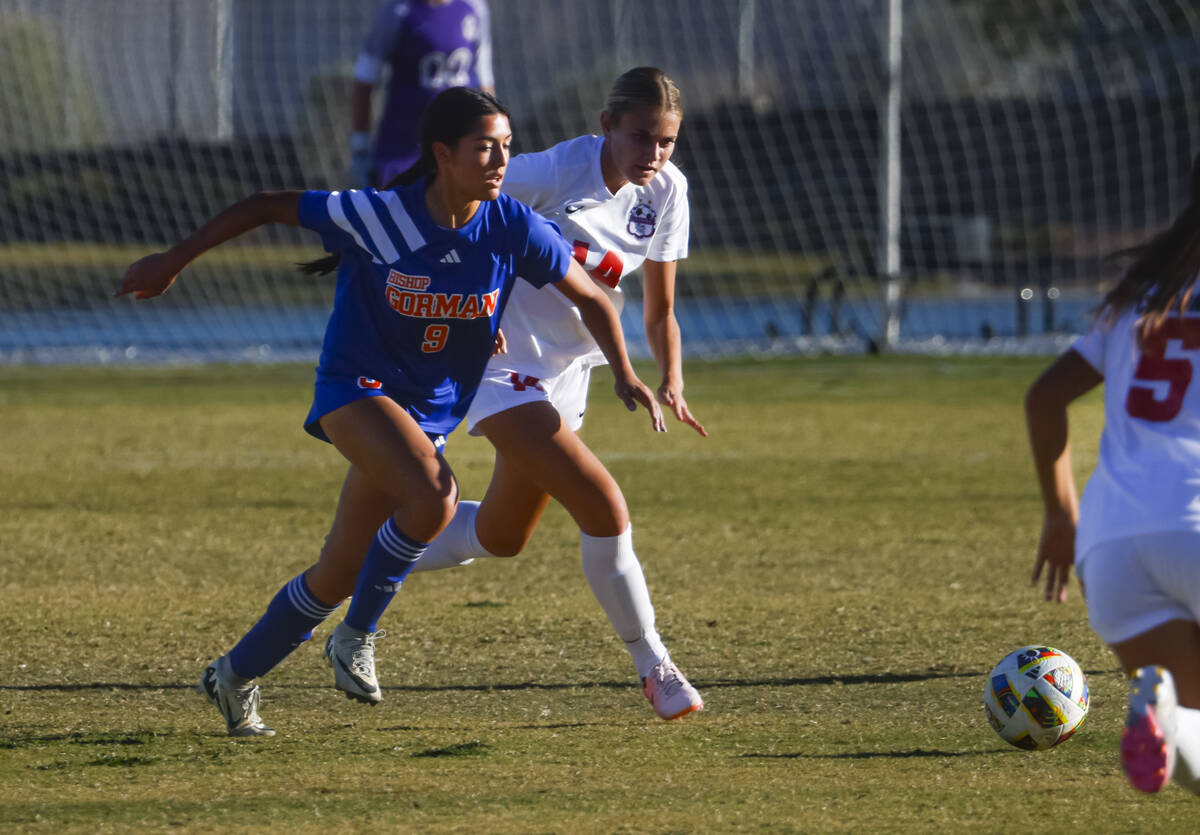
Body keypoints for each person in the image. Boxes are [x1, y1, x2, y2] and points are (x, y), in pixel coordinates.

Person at [116, 86, 663, 737]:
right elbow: (266, 204)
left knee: (337, 571)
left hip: (424, 413)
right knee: (435, 496)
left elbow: (595, 300)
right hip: (356, 389)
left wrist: (626, 372)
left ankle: (232, 675)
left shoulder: (511, 224)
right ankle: (355, 639)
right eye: (484, 147)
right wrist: (171, 261)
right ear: (442, 154)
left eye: (507, 147)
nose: (499, 160)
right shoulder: (380, 215)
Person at [322, 67, 708, 722]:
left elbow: (659, 305)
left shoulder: (667, 192)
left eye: (666, 140)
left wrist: (670, 375)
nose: (654, 153)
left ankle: (366, 564)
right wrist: (476, 309)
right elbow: (449, 200)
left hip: (567, 375)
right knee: (603, 504)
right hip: (501, 369)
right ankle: (655, 665)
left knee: (502, 535)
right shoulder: (554, 172)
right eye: (641, 136)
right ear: (608, 125)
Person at [1026, 151, 1200, 795]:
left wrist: (1060, 514)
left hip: (1114, 544)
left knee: (1193, 736)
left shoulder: (1144, 293)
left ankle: (1161, 713)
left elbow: (1044, 396)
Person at [349, 0, 493, 188]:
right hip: (401, 152)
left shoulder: (473, 7)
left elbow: (483, 78)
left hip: (457, 151)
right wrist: (360, 148)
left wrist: (491, 140)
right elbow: (364, 79)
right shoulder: (398, 12)